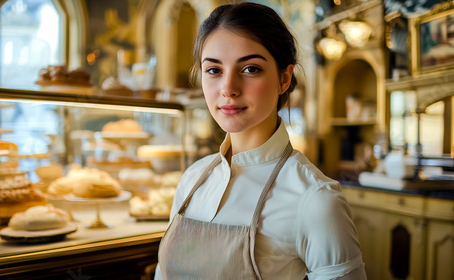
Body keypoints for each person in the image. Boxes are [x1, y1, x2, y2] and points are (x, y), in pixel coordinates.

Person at [155, 2, 367, 279]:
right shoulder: (193, 180)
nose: (228, 89)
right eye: (214, 70)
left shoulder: (315, 200)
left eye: (250, 69)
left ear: (284, 78)